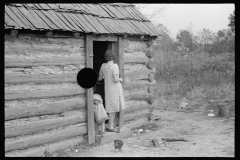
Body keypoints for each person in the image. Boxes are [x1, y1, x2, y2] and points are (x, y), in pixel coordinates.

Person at [98, 50, 126, 132]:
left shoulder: (103, 66)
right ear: (113, 57)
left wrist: (106, 77)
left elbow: (100, 78)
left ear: (106, 58)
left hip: (108, 88)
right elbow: (115, 79)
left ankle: (111, 124)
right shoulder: (114, 66)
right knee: (113, 108)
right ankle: (110, 127)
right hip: (115, 88)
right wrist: (121, 79)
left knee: (111, 107)